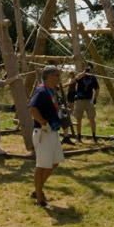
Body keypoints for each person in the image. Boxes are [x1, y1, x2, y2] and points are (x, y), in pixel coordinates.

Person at [29, 66, 65, 207]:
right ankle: (39, 199)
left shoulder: (51, 91)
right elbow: (32, 108)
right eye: (57, 75)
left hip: (53, 132)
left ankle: (37, 190)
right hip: (44, 133)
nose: (59, 78)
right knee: (41, 166)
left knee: (55, 162)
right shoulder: (42, 91)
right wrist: (43, 123)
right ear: (49, 76)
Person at [74, 64, 99, 142]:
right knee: (78, 119)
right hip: (79, 100)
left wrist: (95, 98)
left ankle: (94, 136)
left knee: (92, 118)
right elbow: (76, 78)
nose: (88, 69)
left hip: (89, 100)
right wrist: (84, 72)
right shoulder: (81, 76)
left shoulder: (93, 78)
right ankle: (78, 136)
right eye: (86, 67)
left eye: (89, 68)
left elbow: (97, 89)